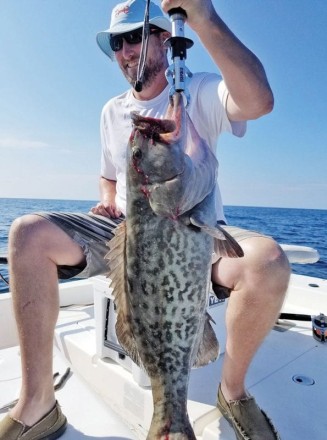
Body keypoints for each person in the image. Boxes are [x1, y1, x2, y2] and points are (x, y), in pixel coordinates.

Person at [0, 1, 290, 439]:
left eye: (135, 36)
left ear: (163, 38)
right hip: (131, 230)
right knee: (27, 233)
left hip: (196, 230)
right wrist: (107, 199)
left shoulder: (200, 90)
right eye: (117, 42)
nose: (125, 51)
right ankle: (38, 403)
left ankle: (233, 393)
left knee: (267, 261)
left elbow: (259, 101)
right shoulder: (111, 111)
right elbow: (108, 174)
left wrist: (204, 17)